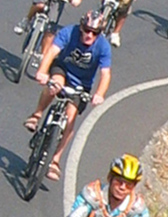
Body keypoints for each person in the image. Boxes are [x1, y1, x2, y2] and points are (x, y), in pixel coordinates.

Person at [24, 10, 112, 182]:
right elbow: (51, 52)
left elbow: (106, 74)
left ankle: (55, 159)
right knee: (55, 85)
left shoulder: (103, 46)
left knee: (71, 116)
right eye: (86, 30)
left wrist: (99, 94)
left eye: (94, 33)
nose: (89, 35)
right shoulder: (68, 32)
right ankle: (37, 115)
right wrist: (42, 72)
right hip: (62, 69)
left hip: (82, 84)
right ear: (81, 27)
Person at [64, 154, 150, 217]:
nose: (122, 187)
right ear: (110, 178)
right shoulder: (92, 196)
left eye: (128, 185)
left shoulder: (137, 211)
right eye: (119, 181)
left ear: (134, 187)